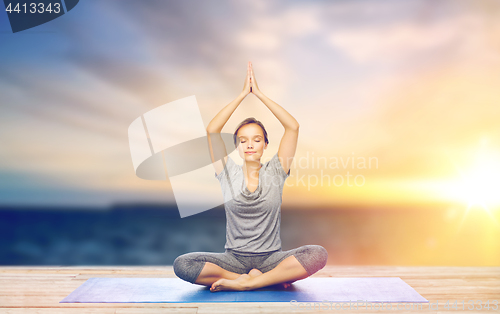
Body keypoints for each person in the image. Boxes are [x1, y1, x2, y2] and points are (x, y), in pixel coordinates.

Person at [173, 61, 328, 292]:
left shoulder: (277, 170)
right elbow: (212, 131)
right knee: (182, 264)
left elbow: (292, 127)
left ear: (265, 144)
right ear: (236, 146)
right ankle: (259, 279)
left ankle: (252, 281)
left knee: (317, 254)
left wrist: (260, 95)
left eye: (256, 139)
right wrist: (242, 95)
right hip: (234, 260)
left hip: (271, 259)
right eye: (243, 140)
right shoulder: (226, 172)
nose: (250, 145)